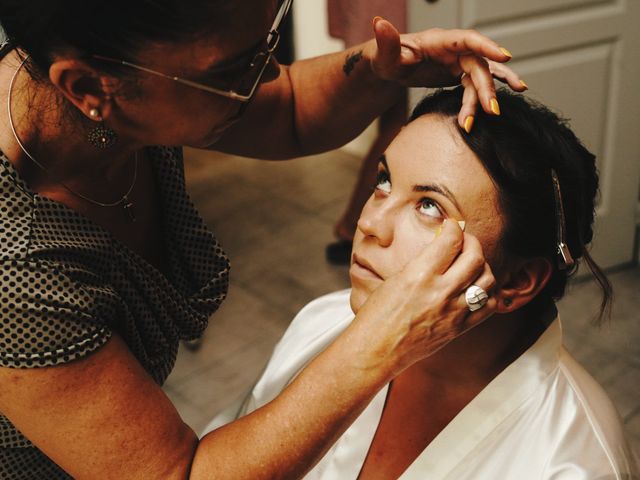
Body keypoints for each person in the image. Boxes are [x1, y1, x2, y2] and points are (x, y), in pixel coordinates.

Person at [0, 0, 525, 477]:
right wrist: (381, 343)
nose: (269, 72)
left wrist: (375, 69)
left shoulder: (104, 107)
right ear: (92, 91)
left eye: (267, 41)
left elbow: (291, 108)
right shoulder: (14, 270)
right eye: (231, 70)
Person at [205, 87, 639, 479]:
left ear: (518, 281)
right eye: (383, 181)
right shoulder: (320, 322)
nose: (370, 222)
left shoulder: (572, 463)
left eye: (429, 206)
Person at [325, 0, 410, 265]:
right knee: (401, 128)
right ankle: (354, 226)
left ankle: (355, 227)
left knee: (395, 122)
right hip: (392, 16)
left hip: (384, 16)